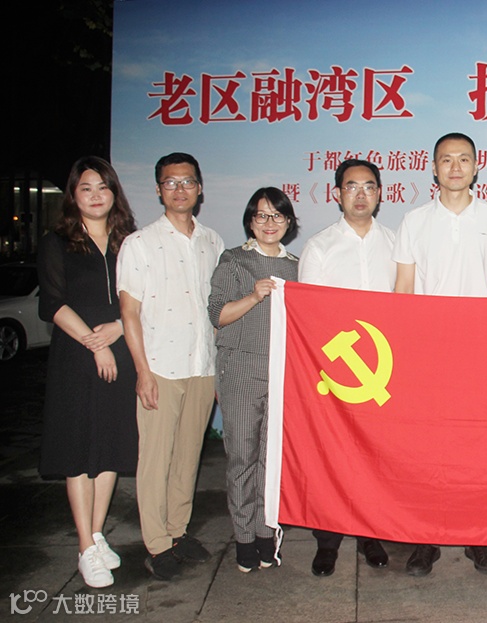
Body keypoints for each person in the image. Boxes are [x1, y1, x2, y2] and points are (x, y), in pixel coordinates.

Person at [393, 132, 487, 576]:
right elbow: (404, 287)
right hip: (427, 352)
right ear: (433, 168)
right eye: (447, 160)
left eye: (464, 159)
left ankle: (477, 536)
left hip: (478, 351)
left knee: (476, 447)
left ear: (477, 167)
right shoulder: (414, 220)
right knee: (426, 448)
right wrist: (406, 350)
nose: (455, 167)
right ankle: (426, 538)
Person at [118, 152, 225, 581]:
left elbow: (216, 310)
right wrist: (142, 372)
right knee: (155, 459)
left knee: (187, 457)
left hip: (202, 364)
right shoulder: (139, 243)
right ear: (159, 190)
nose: (179, 189)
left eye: (187, 182)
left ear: (200, 188)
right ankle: (157, 543)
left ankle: (178, 531)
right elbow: (129, 313)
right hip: (161, 366)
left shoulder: (213, 242)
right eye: (170, 182)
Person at [37, 157, 138, 588]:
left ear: (114, 192)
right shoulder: (57, 242)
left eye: (103, 187)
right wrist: (96, 344)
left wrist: (118, 329)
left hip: (121, 352)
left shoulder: (128, 243)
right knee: (77, 448)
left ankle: (97, 536)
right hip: (76, 357)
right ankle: (83, 546)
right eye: (86, 188)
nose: (96, 195)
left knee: (111, 444)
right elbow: (53, 304)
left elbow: (143, 297)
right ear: (73, 195)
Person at [298, 159, 396, 576]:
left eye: (369, 186)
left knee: (375, 455)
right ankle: (328, 539)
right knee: (331, 456)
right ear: (337, 194)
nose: (361, 194)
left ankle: (370, 532)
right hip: (334, 370)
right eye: (352, 186)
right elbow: (307, 314)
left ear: (380, 194)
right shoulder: (319, 246)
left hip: (384, 367)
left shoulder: (395, 243)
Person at [208, 187, 299, 573]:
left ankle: (266, 533)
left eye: (277, 216)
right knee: (243, 456)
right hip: (241, 370)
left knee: (271, 459)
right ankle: (244, 537)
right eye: (261, 215)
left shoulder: (296, 268)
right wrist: (254, 296)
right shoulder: (233, 261)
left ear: (288, 222)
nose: (269, 223)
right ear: (250, 221)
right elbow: (218, 315)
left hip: (283, 373)